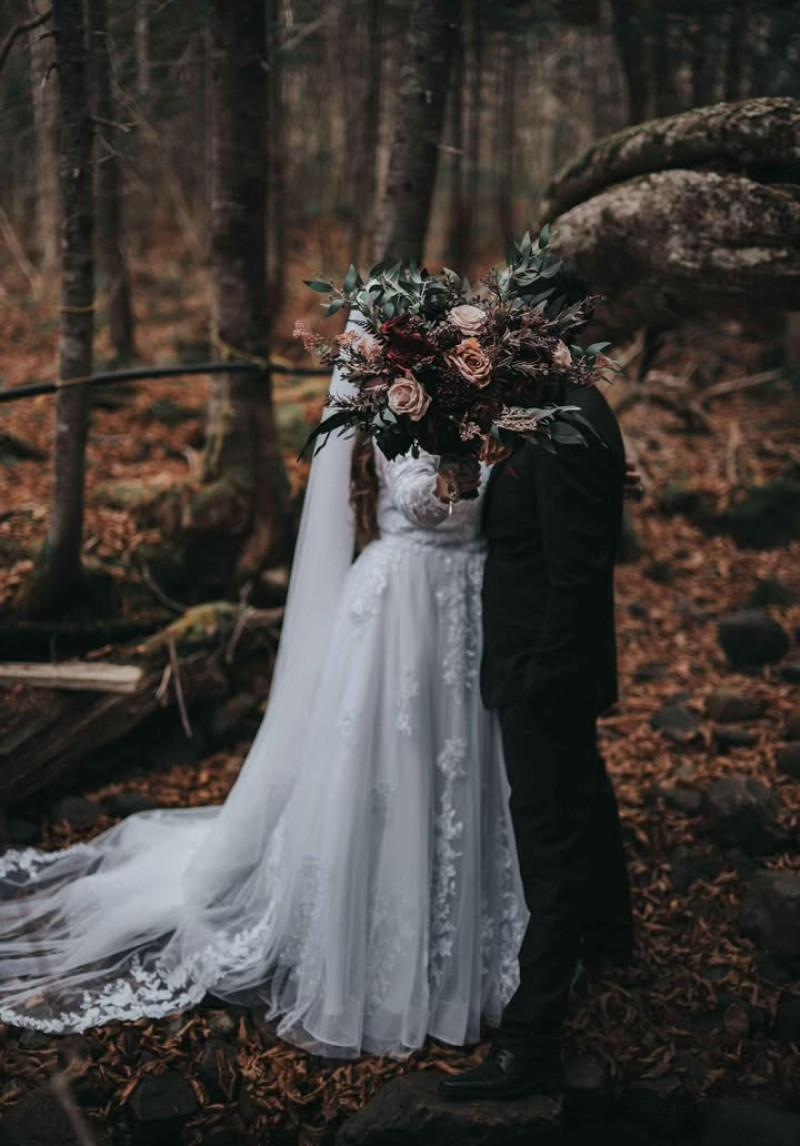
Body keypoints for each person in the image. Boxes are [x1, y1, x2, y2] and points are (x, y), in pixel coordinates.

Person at [0, 319, 528, 1058]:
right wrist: (461, 465)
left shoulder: (493, 401)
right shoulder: (393, 405)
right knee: (393, 768)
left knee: (460, 766)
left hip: (469, 605)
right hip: (402, 606)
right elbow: (415, 499)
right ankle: (375, 954)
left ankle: (465, 951)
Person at [439, 381, 634, 1100]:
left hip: (543, 673)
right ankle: (614, 937)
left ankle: (530, 1044)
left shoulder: (568, 425)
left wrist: (538, 678)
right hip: (541, 669)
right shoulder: (556, 412)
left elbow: (577, 575)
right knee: (579, 800)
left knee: (547, 847)